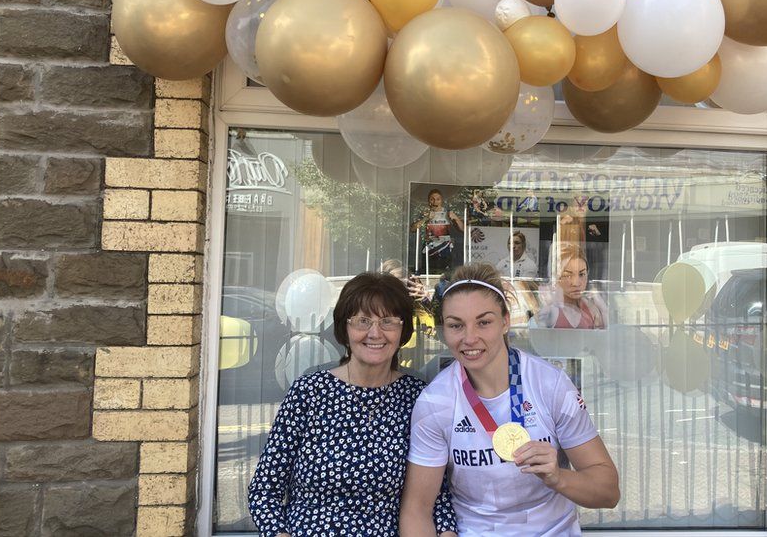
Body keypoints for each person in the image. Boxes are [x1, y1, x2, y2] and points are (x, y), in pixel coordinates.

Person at [400, 264, 620, 536]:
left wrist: (558, 477)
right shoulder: (435, 402)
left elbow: (608, 492)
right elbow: (416, 510)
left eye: (484, 322)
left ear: (505, 321)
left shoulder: (550, 384)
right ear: (445, 330)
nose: (470, 338)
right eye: (456, 325)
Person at [249, 272, 458, 537]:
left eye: (388, 321)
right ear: (344, 329)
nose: (375, 332)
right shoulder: (308, 393)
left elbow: (436, 496)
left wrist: (447, 531)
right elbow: (264, 490)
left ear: (402, 330)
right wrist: (279, 534)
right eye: (362, 321)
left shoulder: (417, 397)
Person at [534, 243, 608, 330]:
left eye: (581, 274)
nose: (576, 283)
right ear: (556, 277)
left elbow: (606, 338)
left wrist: (603, 309)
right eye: (568, 275)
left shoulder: (591, 309)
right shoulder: (550, 310)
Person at [411, 189, 464, 275]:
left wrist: (456, 218)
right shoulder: (424, 213)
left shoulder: (447, 213)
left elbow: (462, 229)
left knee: (445, 275)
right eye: (432, 199)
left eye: (438, 199)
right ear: (429, 201)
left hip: (445, 249)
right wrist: (426, 218)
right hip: (429, 249)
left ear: (441, 201)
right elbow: (412, 229)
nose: (435, 201)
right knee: (429, 273)